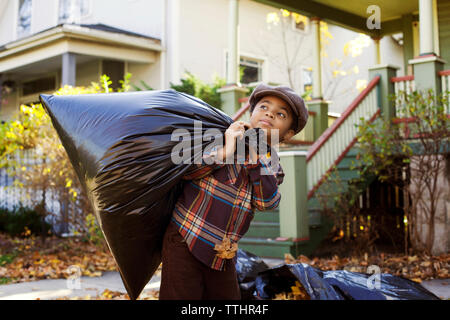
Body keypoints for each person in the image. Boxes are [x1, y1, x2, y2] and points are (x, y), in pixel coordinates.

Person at [159, 83, 309, 300]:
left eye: (280, 114)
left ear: (287, 134)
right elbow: (188, 171)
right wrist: (227, 149)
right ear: (252, 112)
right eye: (264, 107)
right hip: (185, 237)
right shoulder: (223, 135)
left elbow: (266, 202)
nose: (269, 113)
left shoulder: (273, 165)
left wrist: (256, 158)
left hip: (223, 252)